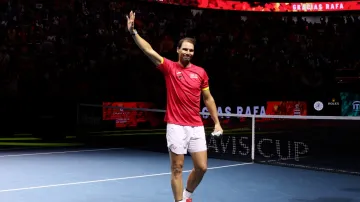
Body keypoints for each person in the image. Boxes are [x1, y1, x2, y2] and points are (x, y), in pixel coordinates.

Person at [126, 11, 223, 202]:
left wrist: (217, 123)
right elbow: (149, 51)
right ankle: (178, 201)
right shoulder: (169, 68)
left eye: (191, 50)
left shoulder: (201, 72)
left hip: (196, 125)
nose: (188, 52)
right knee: (177, 168)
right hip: (176, 125)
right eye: (185, 49)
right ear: (178, 50)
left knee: (202, 167)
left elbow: (208, 98)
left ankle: (187, 195)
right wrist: (133, 33)